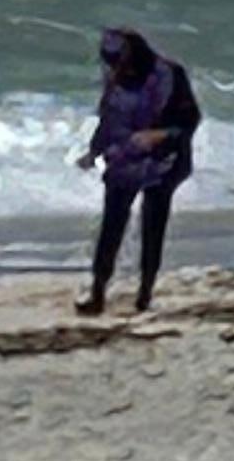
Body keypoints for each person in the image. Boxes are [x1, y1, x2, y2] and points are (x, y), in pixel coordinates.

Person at [78, 28, 202, 315]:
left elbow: (190, 119)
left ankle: (144, 292)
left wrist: (159, 135)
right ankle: (98, 292)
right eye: (108, 61)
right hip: (123, 157)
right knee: (111, 225)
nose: (112, 67)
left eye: (116, 60)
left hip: (163, 161)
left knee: (152, 226)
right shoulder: (115, 76)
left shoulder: (170, 75)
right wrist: (94, 151)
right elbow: (108, 118)